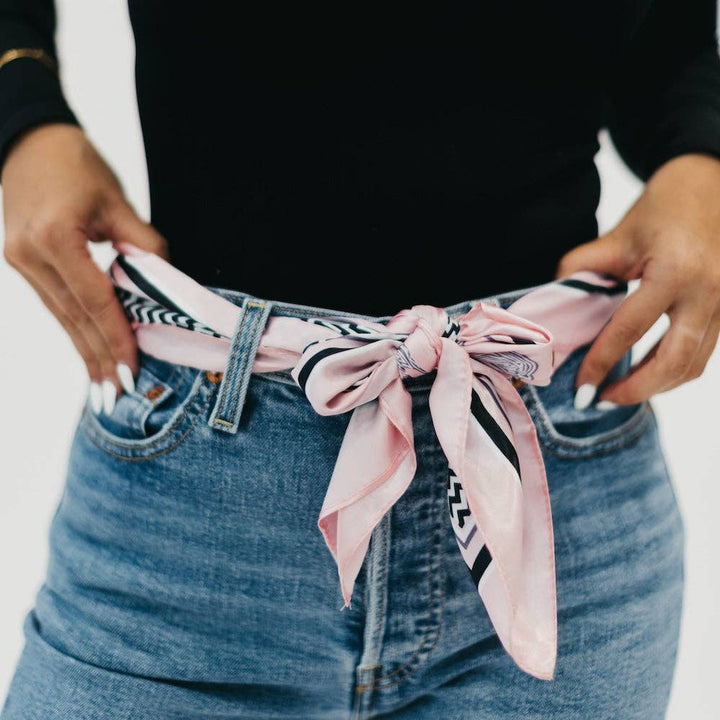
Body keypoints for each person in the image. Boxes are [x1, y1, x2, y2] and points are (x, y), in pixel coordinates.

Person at [0, 2, 718, 718]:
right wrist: (23, 108)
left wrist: (701, 156)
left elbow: (667, 40)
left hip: (563, 507)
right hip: (182, 523)